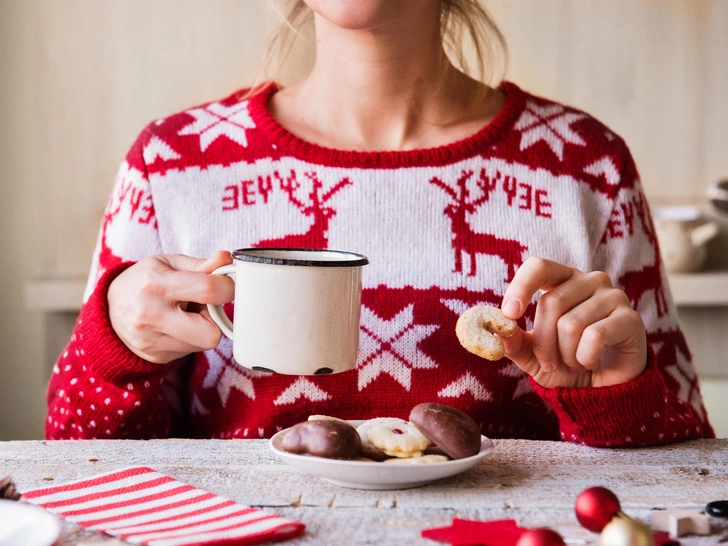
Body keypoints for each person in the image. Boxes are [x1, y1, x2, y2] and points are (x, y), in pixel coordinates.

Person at [46, 0, 714, 445]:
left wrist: (614, 396)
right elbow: (80, 468)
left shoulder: (585, 165)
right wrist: (114, 353)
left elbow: (683, 482)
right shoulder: (172, 165)